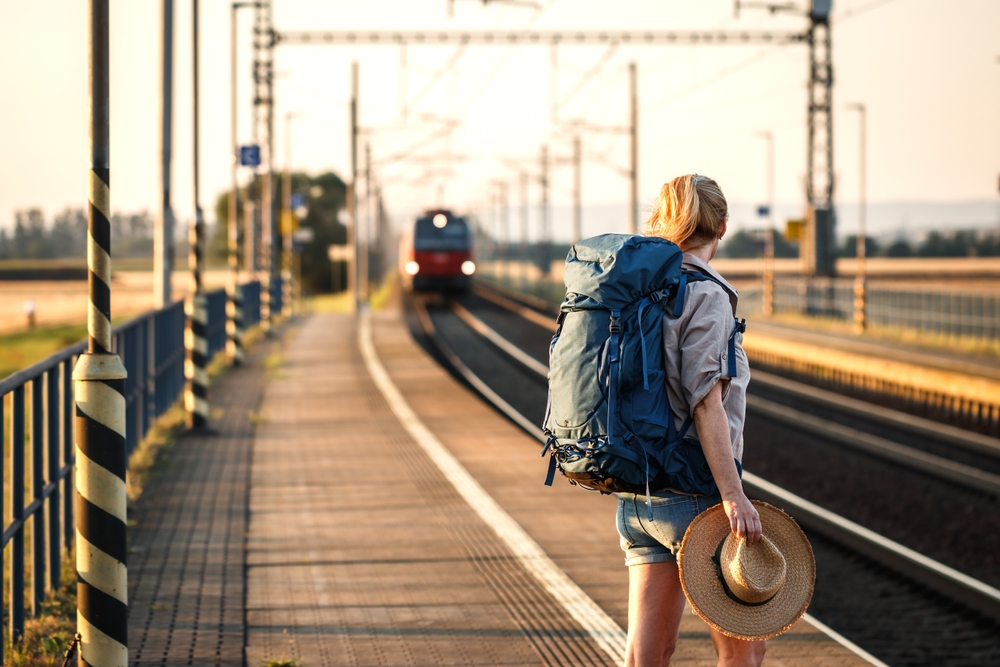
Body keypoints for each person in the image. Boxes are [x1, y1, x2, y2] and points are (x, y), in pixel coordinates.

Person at [615, 174, 765, 667]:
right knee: (745, 649)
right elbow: (706, 403)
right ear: (722, 225)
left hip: (639, 496)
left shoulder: (641, 286)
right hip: (693, 496)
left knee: (646, 654)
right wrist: (732, 494)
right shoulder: (706, 294)